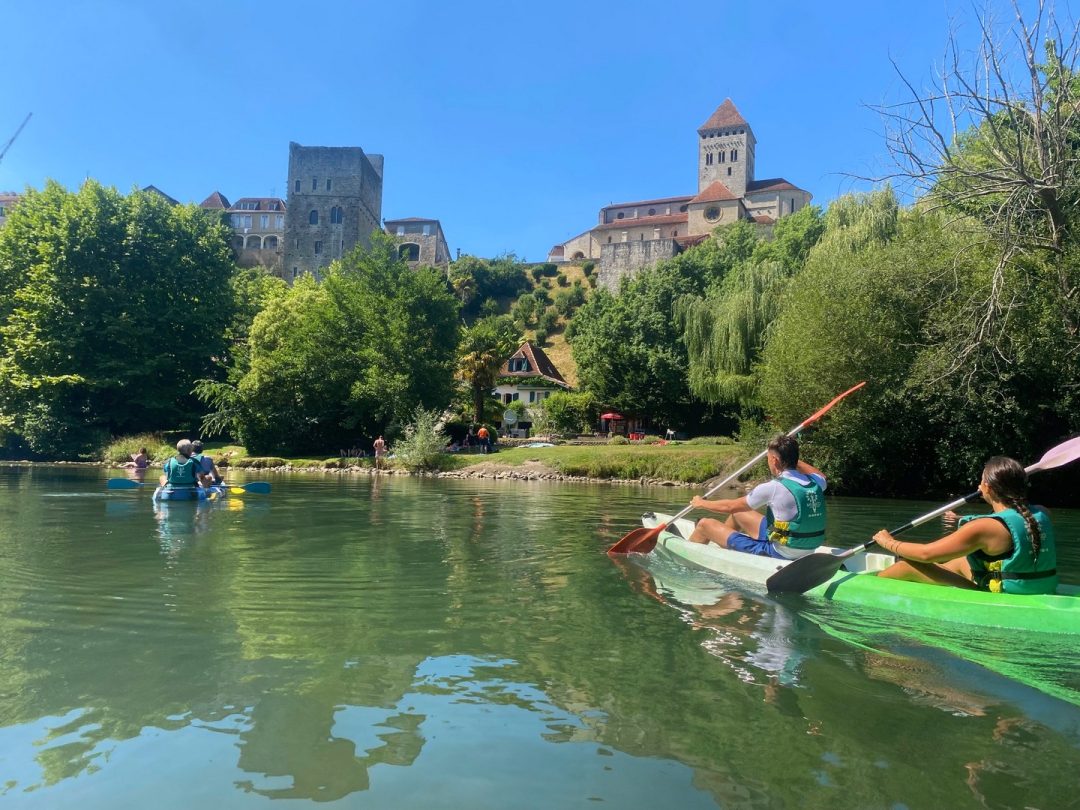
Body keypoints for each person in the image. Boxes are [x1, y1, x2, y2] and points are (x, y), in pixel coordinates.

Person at [873, 456, 1057, 593]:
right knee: (961, 561)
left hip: (1006, 595)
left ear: (988, 488)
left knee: (907, 564)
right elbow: (1010, 520)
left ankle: (872, 588)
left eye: (981, 482)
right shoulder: (1042, 512)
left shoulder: (984, 528)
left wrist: (889, 543)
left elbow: (926, 554)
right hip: (1039, 586)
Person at [688, 434, 827, 559]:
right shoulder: (816, 482)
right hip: (806, 547)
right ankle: (724, 551)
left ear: (774, 460)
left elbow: (730, 506)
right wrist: (791, 457)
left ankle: (691, 561)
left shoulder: (773, 487)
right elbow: (822, 476)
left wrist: (701, 503)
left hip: (779, 552)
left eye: (767, 458)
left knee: (704, 524)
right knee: (738, 514)